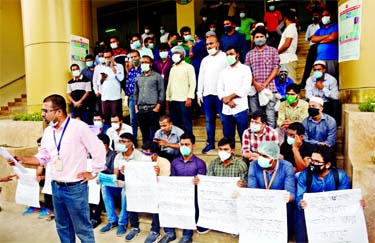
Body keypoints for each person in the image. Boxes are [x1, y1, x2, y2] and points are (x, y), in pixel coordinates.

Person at [8, 94, 106, 243]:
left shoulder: (78, 127)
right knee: (63, 227)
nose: (43, 114)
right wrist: (23, 159)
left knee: (82, 229)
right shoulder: (49, 131)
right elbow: (43, 157)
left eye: (46, 111)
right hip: (56, 186)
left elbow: (98, 148)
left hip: (75, 188)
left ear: (59, 112)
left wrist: (93, 172)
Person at [295, 145, 353, 242]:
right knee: (299, 213)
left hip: (332, 212)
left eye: (317, 162)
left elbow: (345, 199)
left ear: (327, 164)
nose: (312, 164)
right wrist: (301, 203)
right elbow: (299, 195)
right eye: (311, 160)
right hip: (311, 211)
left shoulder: (340, 176)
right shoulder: (305, 175)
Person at [158, 133, 207, 243]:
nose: (184, 147)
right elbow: (173, 180)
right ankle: (170, 233)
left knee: (191, 204)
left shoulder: (200, 163)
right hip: (177, 192)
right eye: (182, 144)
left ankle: (187, 235)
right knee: (164, 201)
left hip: (193, 195)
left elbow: (202, 184)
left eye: (187, 144)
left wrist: (198, 181)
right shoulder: (175, 162)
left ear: (193, 146)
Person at [247, 141, 296, 240]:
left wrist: (287, 197)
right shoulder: (254, 165)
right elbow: (252, 190)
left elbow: (291, 194)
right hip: (260, 204)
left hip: (280, 206)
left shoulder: (286, 166)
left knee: (290, 208)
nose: (260, 158)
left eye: (264, 156)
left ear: (273, 158)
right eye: (259, 154)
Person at [125, 141, 170, 243]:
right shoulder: (139, 161)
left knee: (157, 199)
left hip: (157, 190)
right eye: (143, 153)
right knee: (131, 195)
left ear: (154, 155)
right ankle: (134, 227)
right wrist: (126, 171)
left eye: (147, 154)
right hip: (143, 189)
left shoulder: (164, 162)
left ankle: (155, 230)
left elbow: (164, 183)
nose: (144, 156)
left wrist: (157, 174)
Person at [106, 133, 143, 238]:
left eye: (124, 141)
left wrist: (129, 172)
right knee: (105, 187)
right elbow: (115, 172)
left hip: (134, 186)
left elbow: (141, 175)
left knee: (126, 189)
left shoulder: (139, 156)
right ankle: (112, 220)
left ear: (131, 143)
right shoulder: (118, 156)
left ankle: (122, 223)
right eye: (120, 141)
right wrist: (111, 180)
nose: (121, 143)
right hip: (122, 183)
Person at [197, 34, 227, 154]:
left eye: (211, 43)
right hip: (208, 94)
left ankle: (226, 145)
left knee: (224, 120)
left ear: (218, 44)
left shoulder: (225, 57)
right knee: (209, 121)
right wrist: (199, 93)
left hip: (221, 95)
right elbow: (201, 77)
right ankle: (210, 143)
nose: (209, 46)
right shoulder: (205, 60)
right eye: (207, 44)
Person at [245, 26, 280, 128]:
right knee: (256, 116)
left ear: (266, 37)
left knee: (270, 115)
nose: (259, 38)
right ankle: (258, 140)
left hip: (269, 88)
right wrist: (255, 83)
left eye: (261, 36)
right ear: (253, 39)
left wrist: (265, 83)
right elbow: (247, 71)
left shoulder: (273, 51)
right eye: (257, 37)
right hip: (254, 89)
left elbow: (276, 68)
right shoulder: (249, 54)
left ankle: (271, 140)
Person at [218, 46, 251, 141]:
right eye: (227, 54)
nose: (229, 56)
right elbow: (219, 89)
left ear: (237, 55)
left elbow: (245, 88)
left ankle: (245, 155)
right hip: (226, 108)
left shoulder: (245, 69)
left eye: (231, 54)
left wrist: (230, 97)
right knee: (228, 137)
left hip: (240, 107)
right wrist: (227, 101)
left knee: (244, 136)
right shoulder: (223, 71)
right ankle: (229, 155)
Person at [134, 55, 165, 143]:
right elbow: (136, 93)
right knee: (144, 134)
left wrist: (157, 107)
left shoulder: (157, 76)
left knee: (155, 133)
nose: (144, 64)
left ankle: (155, 152)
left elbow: (161, 92)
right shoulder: (138, 77)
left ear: (151, 64)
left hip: (153, 109)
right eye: (142, 62)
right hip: (141, 110)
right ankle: (146, 152)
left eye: (146, 62)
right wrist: (136, 108)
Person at [166, 45, 196, 134]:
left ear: (182, 55)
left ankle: (189, 142)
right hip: (173, 100)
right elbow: (169, 84)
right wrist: (168, 98)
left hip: (184, 100)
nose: (174, 55)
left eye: (177, 53)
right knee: (175, 124)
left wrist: (190, 97)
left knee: (186, 122)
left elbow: (193, 83)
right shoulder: (173, 68)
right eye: (173, 53)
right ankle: (178, 142)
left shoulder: (189, 67)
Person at [92, 48, 124, 125]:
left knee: (117, 119)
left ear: (113, 56)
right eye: (105, 57)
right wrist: (102, 78)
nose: (107, 59)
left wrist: (113, 67)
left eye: (109, 57)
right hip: (105, 97)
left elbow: (121, 78)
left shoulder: (119, 66)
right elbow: (98, 83)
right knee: (106, 119)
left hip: (116, 97)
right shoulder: (101, 68)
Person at [311, 8, 338, 80]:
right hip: (319, 59)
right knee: (319, 79)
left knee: (331, 80)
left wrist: (319, 39)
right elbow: (313, 39)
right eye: (323, 16)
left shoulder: (336, 26)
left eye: (326, 15)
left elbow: (332, 38)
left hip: (331, 57)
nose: (324, 17)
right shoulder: (320, 29)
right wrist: (326, 36)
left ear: (331, 16)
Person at [125, 50, 142, 146]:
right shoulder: (130, 70)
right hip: (131, 98)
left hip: (141, 98)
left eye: (135, 57)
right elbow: (127, 84)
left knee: (142, 120)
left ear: (139, 57)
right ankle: (134, 141)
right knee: (132, 121)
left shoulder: (143, 70)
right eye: (131, 57)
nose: (133, 59)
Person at [278, 10, 298, 83]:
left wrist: (276, 52)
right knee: (283, 83)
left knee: (291, 82)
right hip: (284, 60)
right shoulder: (289, 28)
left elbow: (287, 44)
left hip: (288, 59)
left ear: (285, 18)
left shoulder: (291, 28)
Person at [301, 12, 320, 87]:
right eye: (314, 16)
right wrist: (311, 38)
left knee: (318, 65)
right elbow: (306, 38)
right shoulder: (310, 26)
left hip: (319, 46)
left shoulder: (321, 26)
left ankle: (318, 81)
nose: (315, 17)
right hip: (312, 46)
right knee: (308, 66)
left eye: (316, 16)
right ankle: (303, 82)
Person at [82, 54, 98, 121]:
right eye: (87, 61)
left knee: (98, 109)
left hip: (97, 91)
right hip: (88, 93)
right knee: (90, 110)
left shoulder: (98, 68)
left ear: (93, 60)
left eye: (90, 60)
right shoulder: (84, 71)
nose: (88, 62)